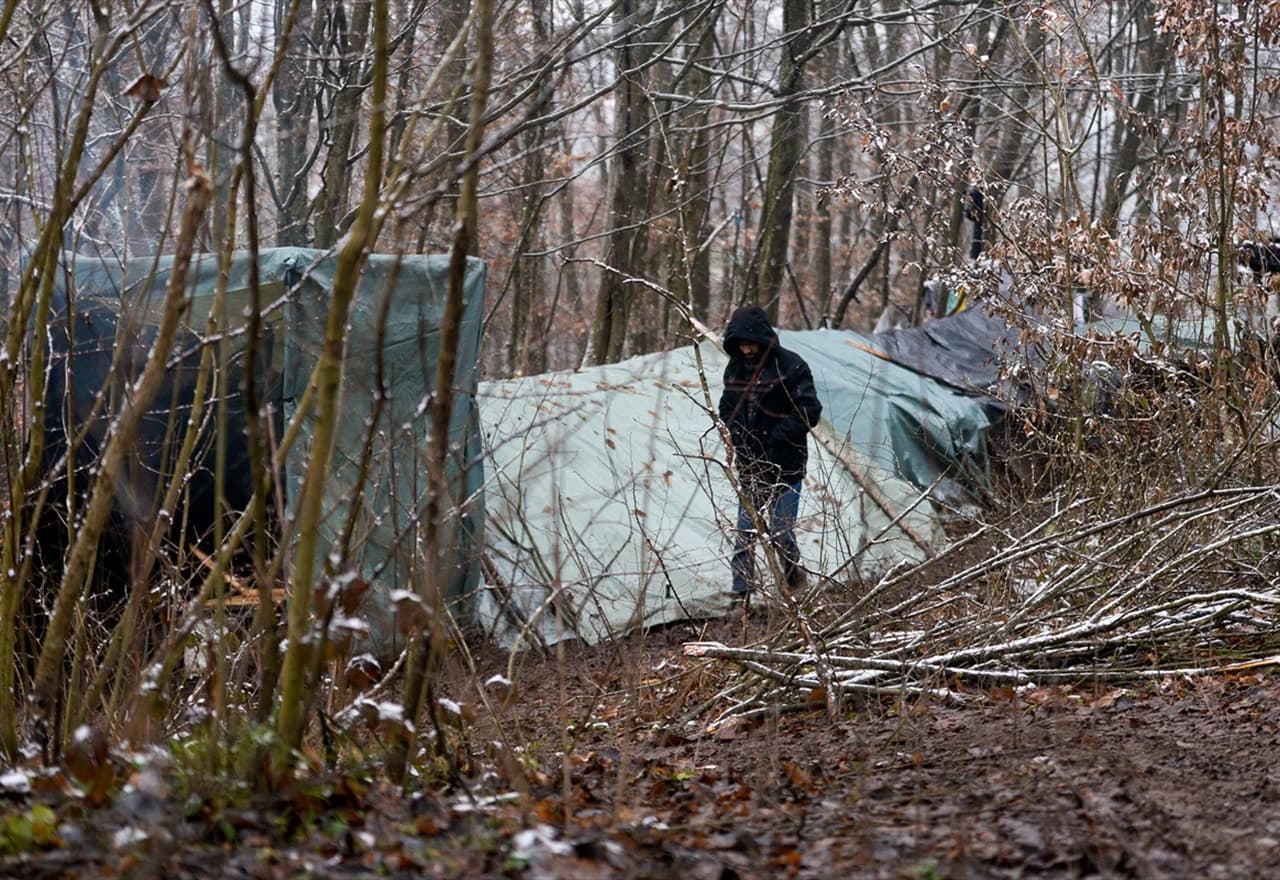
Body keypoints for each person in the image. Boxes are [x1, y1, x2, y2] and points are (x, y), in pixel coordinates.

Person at [718, 305, 823, 604]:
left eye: (751, 344)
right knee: (745, 532)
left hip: (787, 465)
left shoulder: (791, 366)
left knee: (780, 530)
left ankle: (794, 579)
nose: (748, 350)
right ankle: (741, 595)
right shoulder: (735, 369)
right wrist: (737, 433)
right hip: (751, 465)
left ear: (764, 339)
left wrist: (776, 436)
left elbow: (809, 410)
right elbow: (727, 406)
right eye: (742, 345)